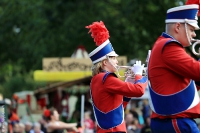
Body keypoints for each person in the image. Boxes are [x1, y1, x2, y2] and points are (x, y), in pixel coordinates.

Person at [85, 21, 148, 133]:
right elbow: (139, 91)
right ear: (105, 62)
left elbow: (117, 109)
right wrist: (139, 75)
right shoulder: (107, 78)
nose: (117, 61)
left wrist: (128, 83)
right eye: (113, 58)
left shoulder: (97, 79)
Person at [147, 3, 200, 133]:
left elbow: (190, 84)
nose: (194, 35)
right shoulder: (169, 47)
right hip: (176, 123)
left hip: (172, 122)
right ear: (178, 27)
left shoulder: (164, 45)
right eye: (192, 29)